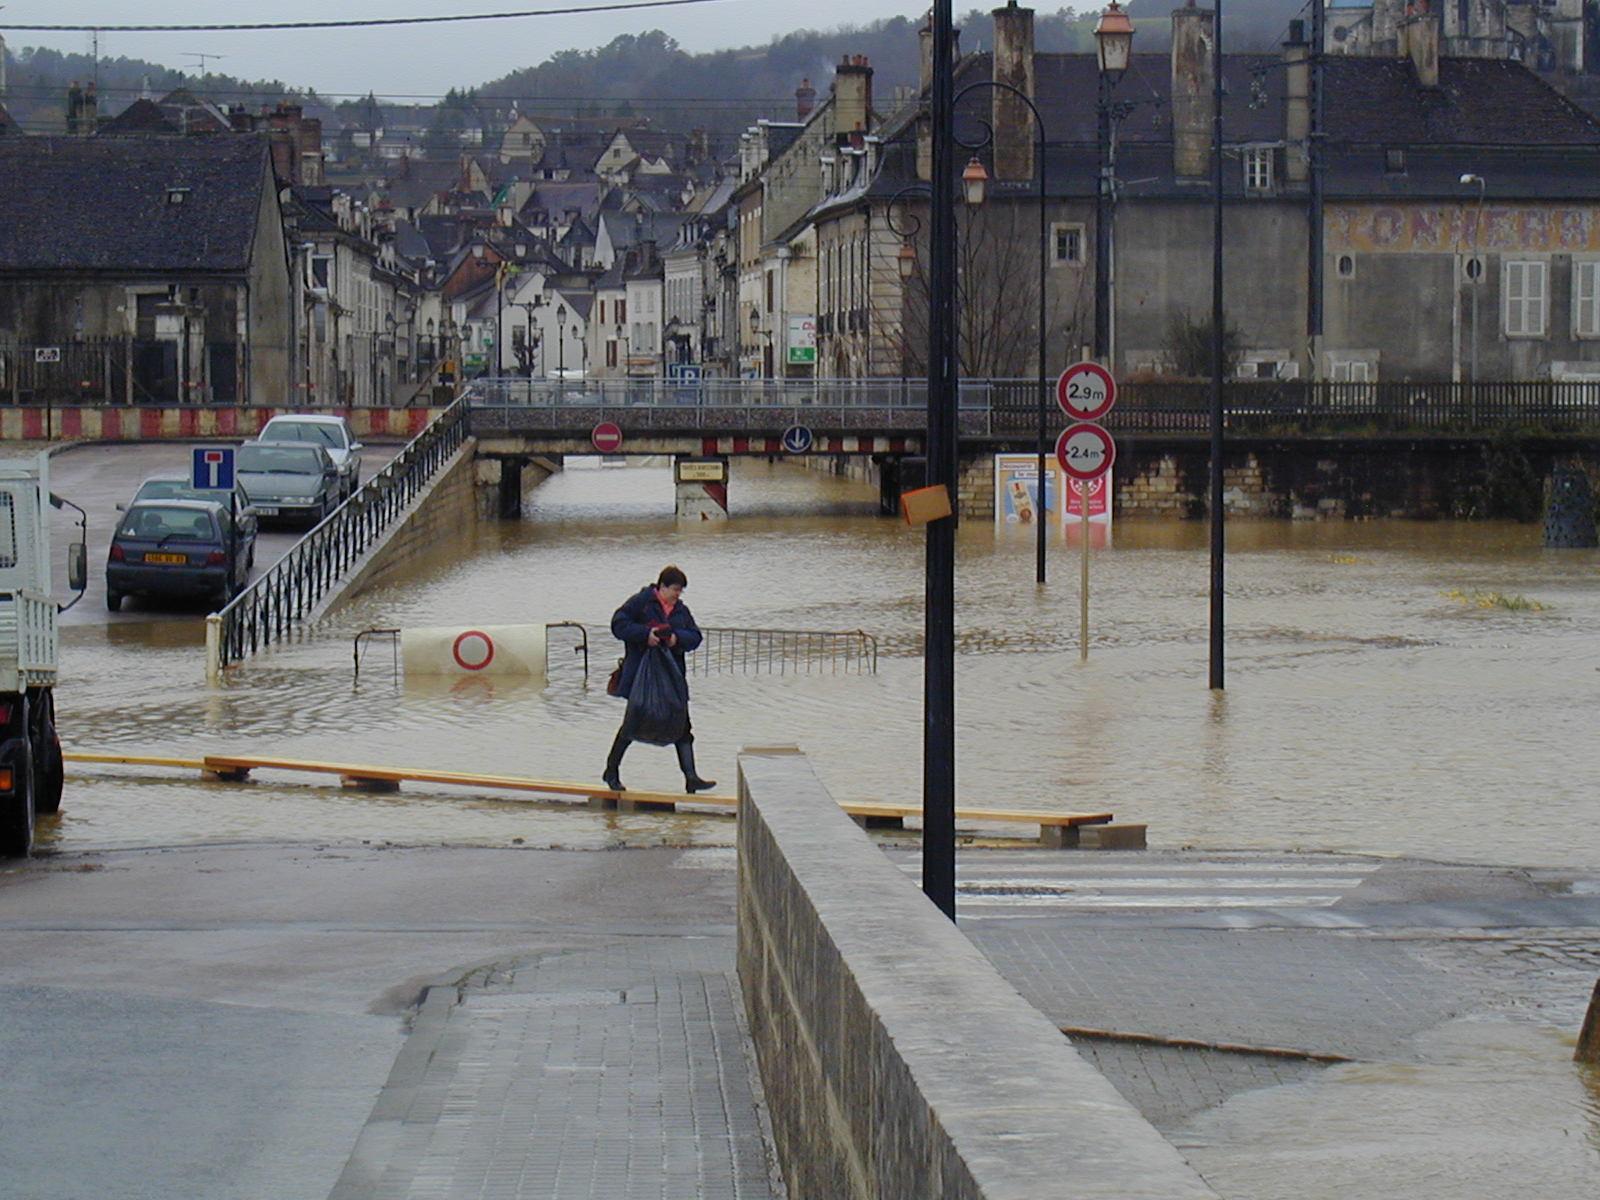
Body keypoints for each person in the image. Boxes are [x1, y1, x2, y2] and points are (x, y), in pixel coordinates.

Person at [603, 564, 715, 794]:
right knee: (632, 724)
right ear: (661, 586)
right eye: (674, 589)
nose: (677, 595)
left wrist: (675, 638)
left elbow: (695, 636)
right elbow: (618, 624)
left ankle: (691, 778)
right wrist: (646, 635)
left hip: (672, 676)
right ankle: (611, 771)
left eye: (681, 591)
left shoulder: (681, 610)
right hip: (642, 676)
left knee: (682, 726)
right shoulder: (641, 602)